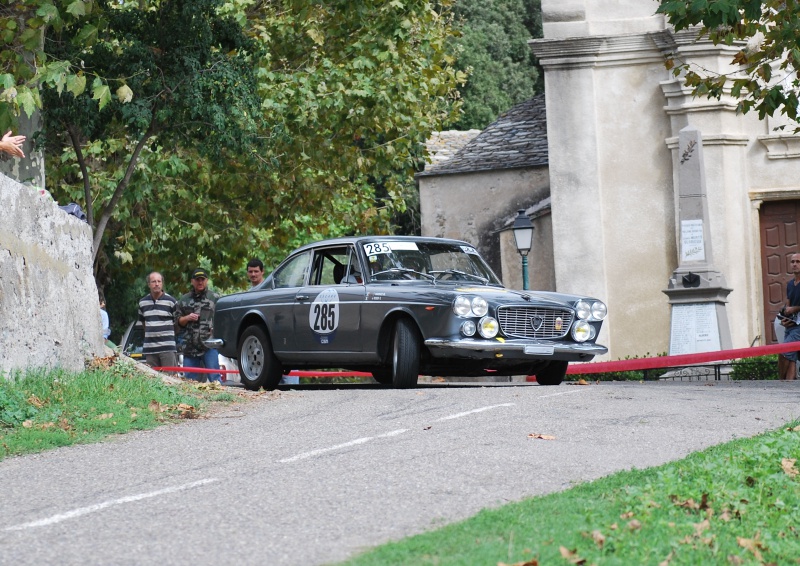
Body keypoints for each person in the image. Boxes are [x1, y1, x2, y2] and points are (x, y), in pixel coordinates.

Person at [176, 267, 222, 383]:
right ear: (192, 281)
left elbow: (223, 320)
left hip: (209, 345)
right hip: (190, 347)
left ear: (206, 280)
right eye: (197, 280)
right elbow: (178, 322)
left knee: (215, 380)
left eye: (202, 279)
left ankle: (221, 400)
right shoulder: (184, 300)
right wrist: (187, 318)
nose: (200, 282)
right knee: (189, 383)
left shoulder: (215, 298)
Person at [137, 272, 179, 371]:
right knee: (153, 381)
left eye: (159, 281)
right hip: (150, 349)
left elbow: (177, 324)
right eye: (153, 281)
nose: (157, 284)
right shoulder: (142, 303)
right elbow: (144, 323)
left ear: (162, 283)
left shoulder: (171, 301)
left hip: (167, 348)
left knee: (170, 378)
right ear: (149, 284)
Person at [778, 253, 800, 380]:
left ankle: (780, 383)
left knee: (784, 353)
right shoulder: (790, 284)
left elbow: (793, 307)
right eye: (792, 262)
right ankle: (788, 388)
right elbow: (788, 302)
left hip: (799, 327)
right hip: (791, 324)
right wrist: (785, 315)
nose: (795, 264)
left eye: (798, 261)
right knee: (791, 358)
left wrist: (794, 308)